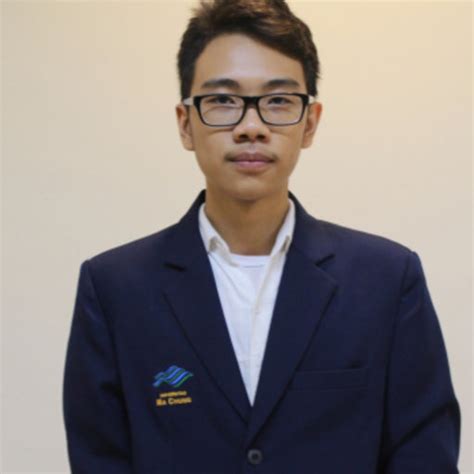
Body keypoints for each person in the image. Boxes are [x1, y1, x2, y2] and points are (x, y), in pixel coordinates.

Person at [62, 1, 461, 472]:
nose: (251, 128)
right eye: (223, 101)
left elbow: (424, 456)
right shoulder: (115, 288)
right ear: (185, 124)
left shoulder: (387, 280)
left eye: (278, 101)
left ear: (309, 122)